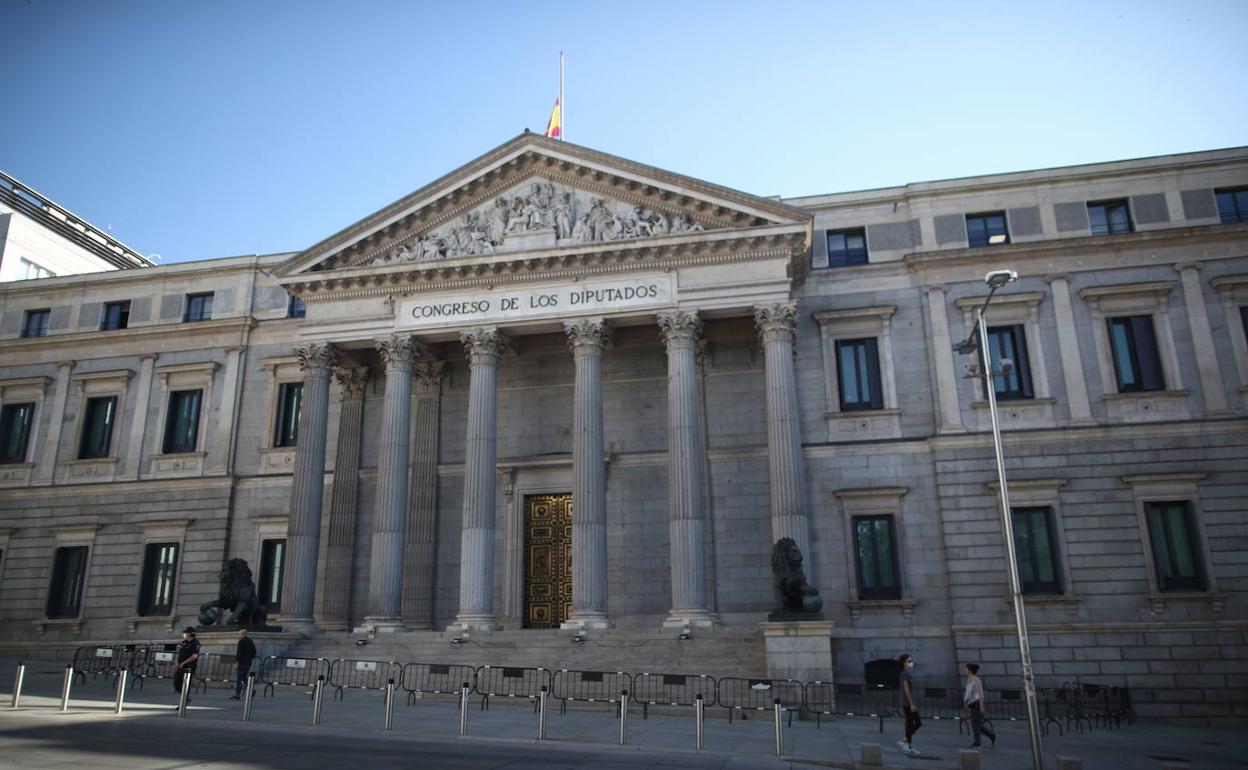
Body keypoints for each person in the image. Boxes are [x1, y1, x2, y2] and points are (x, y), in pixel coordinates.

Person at [964, 663, 997, 748]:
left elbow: (980, 694)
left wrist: (982, 706)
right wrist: (966, 703)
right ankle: (992, 735)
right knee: (978, 725)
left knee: (975, 724)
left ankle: (977, 742)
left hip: (977, 703)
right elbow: (968, 693)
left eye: (966, 669)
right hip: (972, 704)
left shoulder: (976, 680)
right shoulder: (969, 680)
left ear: (970, 670)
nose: (965, 671)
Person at [897, 653, 921, 756]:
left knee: (910, 723)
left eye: (911, 661)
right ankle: (904, 741)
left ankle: (908, 745)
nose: (911, 663)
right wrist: (911, 703)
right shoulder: (905, 674)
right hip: (907, 703)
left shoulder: (906, 673)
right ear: (904, 663)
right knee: (917, 722)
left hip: (908, 702)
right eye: (909, 661)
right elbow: (906, 689)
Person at [173, 627, 200, 706]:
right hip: (181, 666)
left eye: (186, 633)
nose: (184, 634)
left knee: (185, 684)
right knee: (177, 683)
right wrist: (177, 662)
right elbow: (180, 653)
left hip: (189, 666)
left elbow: (194, 656)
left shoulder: (195, 643)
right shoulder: (184, 642)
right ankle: (185, 698)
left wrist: (184, 663)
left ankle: (183, 702)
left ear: (190, 634)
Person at [231, 629, 257, 700]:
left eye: (239, 634)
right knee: (244, 677)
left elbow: (240, 653)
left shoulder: (241, 641)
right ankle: (252, 690)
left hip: (242, 662)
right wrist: (250, 658)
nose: (238, 636)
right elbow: (254, 651)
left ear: (243, 634)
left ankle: (237, 694)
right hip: (248, 662)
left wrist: (237, 662)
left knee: (239, 678)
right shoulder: (250, 641)